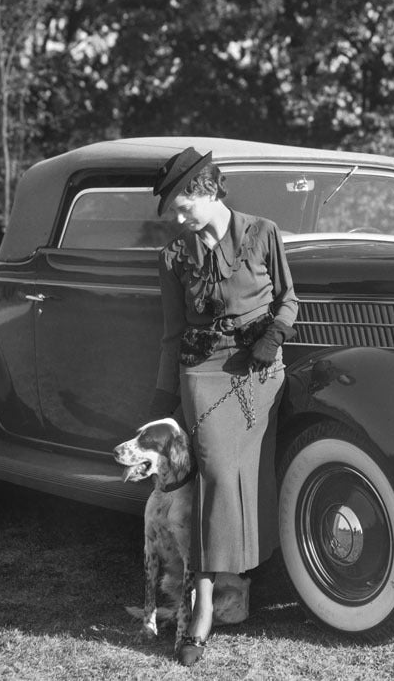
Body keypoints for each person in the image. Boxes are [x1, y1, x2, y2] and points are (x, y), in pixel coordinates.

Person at [148, 146, 297, 666]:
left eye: (181, 204)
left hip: (259, 372)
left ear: (207, 190)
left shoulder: (262, 233)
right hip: (204, 372)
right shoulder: (174, 256)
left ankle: (243, 587)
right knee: (212, 475)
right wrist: (165, 403)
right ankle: (203, 609)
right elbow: (172, 334)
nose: (176, 216)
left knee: (248, 481)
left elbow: (289, 297)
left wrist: (273, 337)